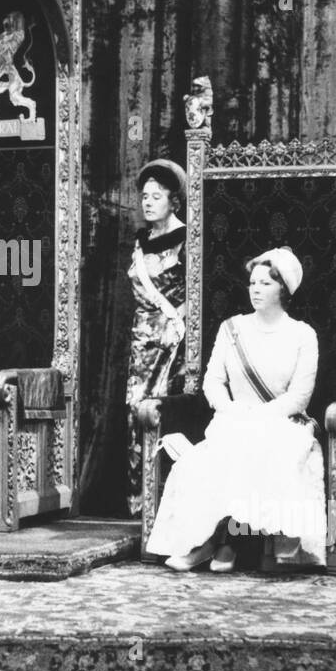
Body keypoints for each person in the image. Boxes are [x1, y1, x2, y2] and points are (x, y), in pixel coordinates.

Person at [145, 248, 326, 572]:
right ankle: (202, 544)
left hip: (283, 424)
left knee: (257, 452)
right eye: (252, 283)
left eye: (265, 283)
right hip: (233, 419)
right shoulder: (231, 328)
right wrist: (230, 410)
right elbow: (212, 381)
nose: (255, 289)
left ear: (283, 289)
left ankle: (228, 543)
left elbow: (299, 396)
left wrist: (256, 417)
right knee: (203, 462)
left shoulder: (303, 335)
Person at [126, 159, 188, 517]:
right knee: (134, 413)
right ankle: (139, 503)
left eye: (156, 196)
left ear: (172, 201)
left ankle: (167, 503)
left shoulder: (185, 239)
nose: (148, 203)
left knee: (161, 413)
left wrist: (177, 321)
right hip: (140, 343)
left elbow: (197, 289)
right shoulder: (140, 241)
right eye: (144, 197)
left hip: (172, 342)